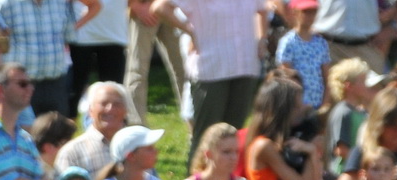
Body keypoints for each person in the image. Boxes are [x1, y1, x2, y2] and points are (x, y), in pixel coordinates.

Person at [153, 0, 269, 161]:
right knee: (206, 137)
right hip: (211, 69)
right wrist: (190, 31)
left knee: (234, 135)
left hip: (245, 66)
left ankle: (229, 176)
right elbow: (160, 7)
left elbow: (263, 9)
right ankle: (198, 176)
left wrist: (262, 39)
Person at [0, 0, 102, 118]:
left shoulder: (61, 3)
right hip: (21, 85)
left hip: (56, 84)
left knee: (57, 128)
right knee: (22, 128)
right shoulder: (4, 4)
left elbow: (69, 35)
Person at [56, 80, 137, 179]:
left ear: (126, 111)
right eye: (103, 103)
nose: (110, 109)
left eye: (117, 104)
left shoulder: (137, 147)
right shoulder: (72, 152)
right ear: (90, 111)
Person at [315, 0, 397, 76]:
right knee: (321, 93)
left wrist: (393, 25)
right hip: (324, 46)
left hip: (368, 47)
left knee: (370, 93)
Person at [124, 0, 183, 121]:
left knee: (184, 70)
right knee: (137, 70)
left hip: (170, 7)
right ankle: (135, 125)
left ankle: (194, 122)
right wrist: (135, 5)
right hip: (143, 6)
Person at [68, 0, 129, 115]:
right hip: (81, 37)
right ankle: (67, 124)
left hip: (114, 36)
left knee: (114, 91)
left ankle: (114, 124)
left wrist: (141, 6)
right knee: (74, 90)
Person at [326, 58, 379, 175]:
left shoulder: (362, 112)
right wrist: (368, 162)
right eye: (363, 81)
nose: (367, 85)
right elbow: (341, 150)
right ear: (349, 86)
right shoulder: (343, 112)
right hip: (343, 172)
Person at [278, 0, 331, 109]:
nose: (310, 16)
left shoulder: (321, 42)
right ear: (295, 12)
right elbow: (286, 76)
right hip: (296, 105)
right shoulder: (288, 42)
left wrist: (325, 103)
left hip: (317, 103)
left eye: (313, 12)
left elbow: (326, 76)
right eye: (306, 12)